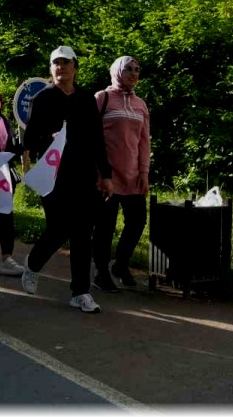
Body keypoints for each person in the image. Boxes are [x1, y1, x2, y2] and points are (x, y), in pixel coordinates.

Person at [20, 46, 114, 314]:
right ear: (51, 69)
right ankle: (33, 264)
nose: (60, 67)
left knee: (83, 232)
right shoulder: (44, 99)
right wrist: (47, 139)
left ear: (75, 67)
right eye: (56, 63)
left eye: (66, 63)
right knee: (58, 229)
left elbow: (97, 139)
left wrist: (105, 174)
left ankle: (80, 292)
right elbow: (29, 140)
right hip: (53, 175)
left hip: (83, 175)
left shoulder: (86, 99)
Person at [91, 56, 151, 292]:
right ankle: (101, 272)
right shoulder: (102, 98)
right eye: (128, 69)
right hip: (106, 175)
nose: (134, 73)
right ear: (117, 71)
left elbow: (144, 142)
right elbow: (92, 137)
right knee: (105, 226)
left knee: (137, 221)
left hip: (133, 174)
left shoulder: (141, 104)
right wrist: (97, 172)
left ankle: (121, 263)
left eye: (137, 69)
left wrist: (144, 173)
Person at [0, 89, 26, 276]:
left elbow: (9, 148)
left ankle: (6, 258)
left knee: (6, 215)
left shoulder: (5, 121)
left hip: (4, 174)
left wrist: (22, 148)